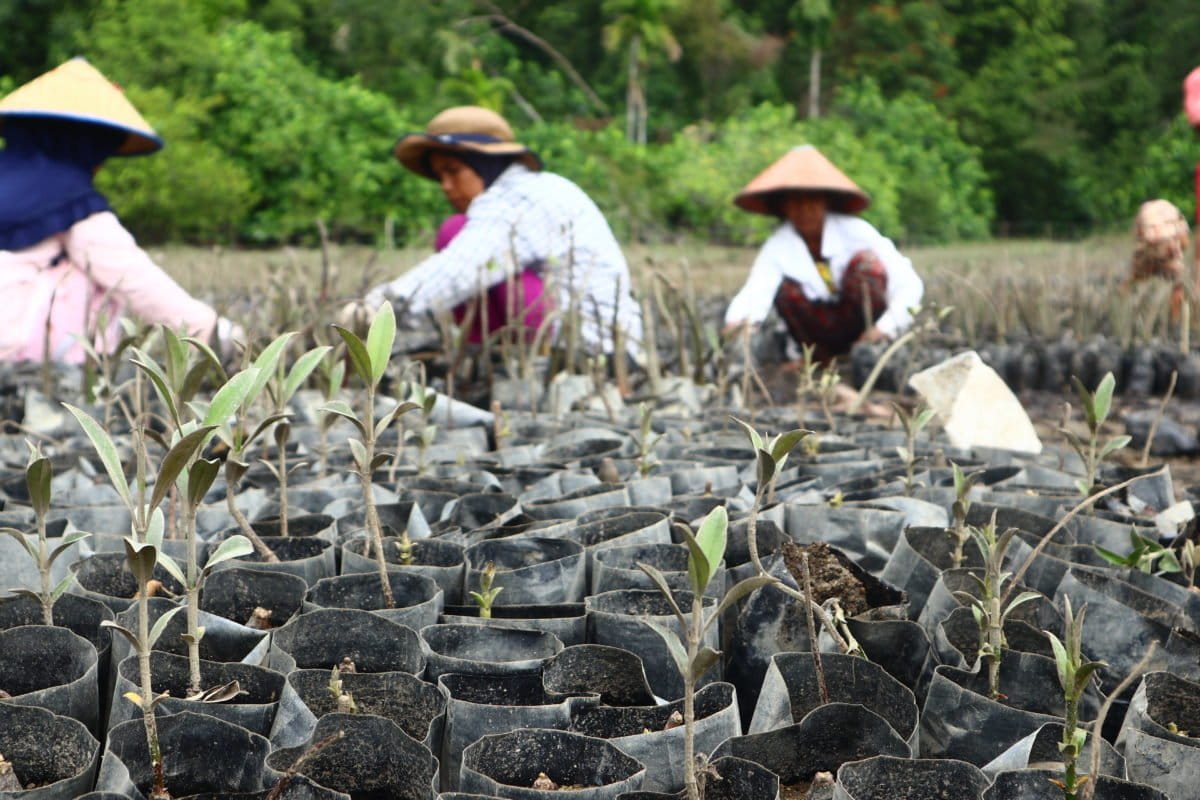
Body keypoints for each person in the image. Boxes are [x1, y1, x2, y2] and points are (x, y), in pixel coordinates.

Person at [0, 58, 240, 364]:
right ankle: (87, 364)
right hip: (19, 348)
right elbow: (137, 282)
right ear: (84, 147)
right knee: (97, 270)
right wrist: (215, 333)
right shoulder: (76, 208)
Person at [364, 106, 641, 357]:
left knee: (457, 234)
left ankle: (514, 360)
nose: (445, 186)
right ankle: (491, 356)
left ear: (483, 163)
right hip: (580, 340)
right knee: (458, 228)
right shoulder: (529, 190)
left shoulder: (520, 199)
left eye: (453, 170)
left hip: (591, 348)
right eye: (440, 176)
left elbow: (460, 270)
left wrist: (375, 310)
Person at [723, 145, 923, 363]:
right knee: (785, 289)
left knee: (867, 265)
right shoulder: (779, 244)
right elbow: (757, 288)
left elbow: (908, 284)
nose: (804, 209)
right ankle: (819, 358)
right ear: (784, 207)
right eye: (795, 202)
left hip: (867, 327)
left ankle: (868, 350)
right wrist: (737, 322)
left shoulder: (856, 231)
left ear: (826, 202)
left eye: (812, 201)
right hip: (820, 333)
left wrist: (885, 327)